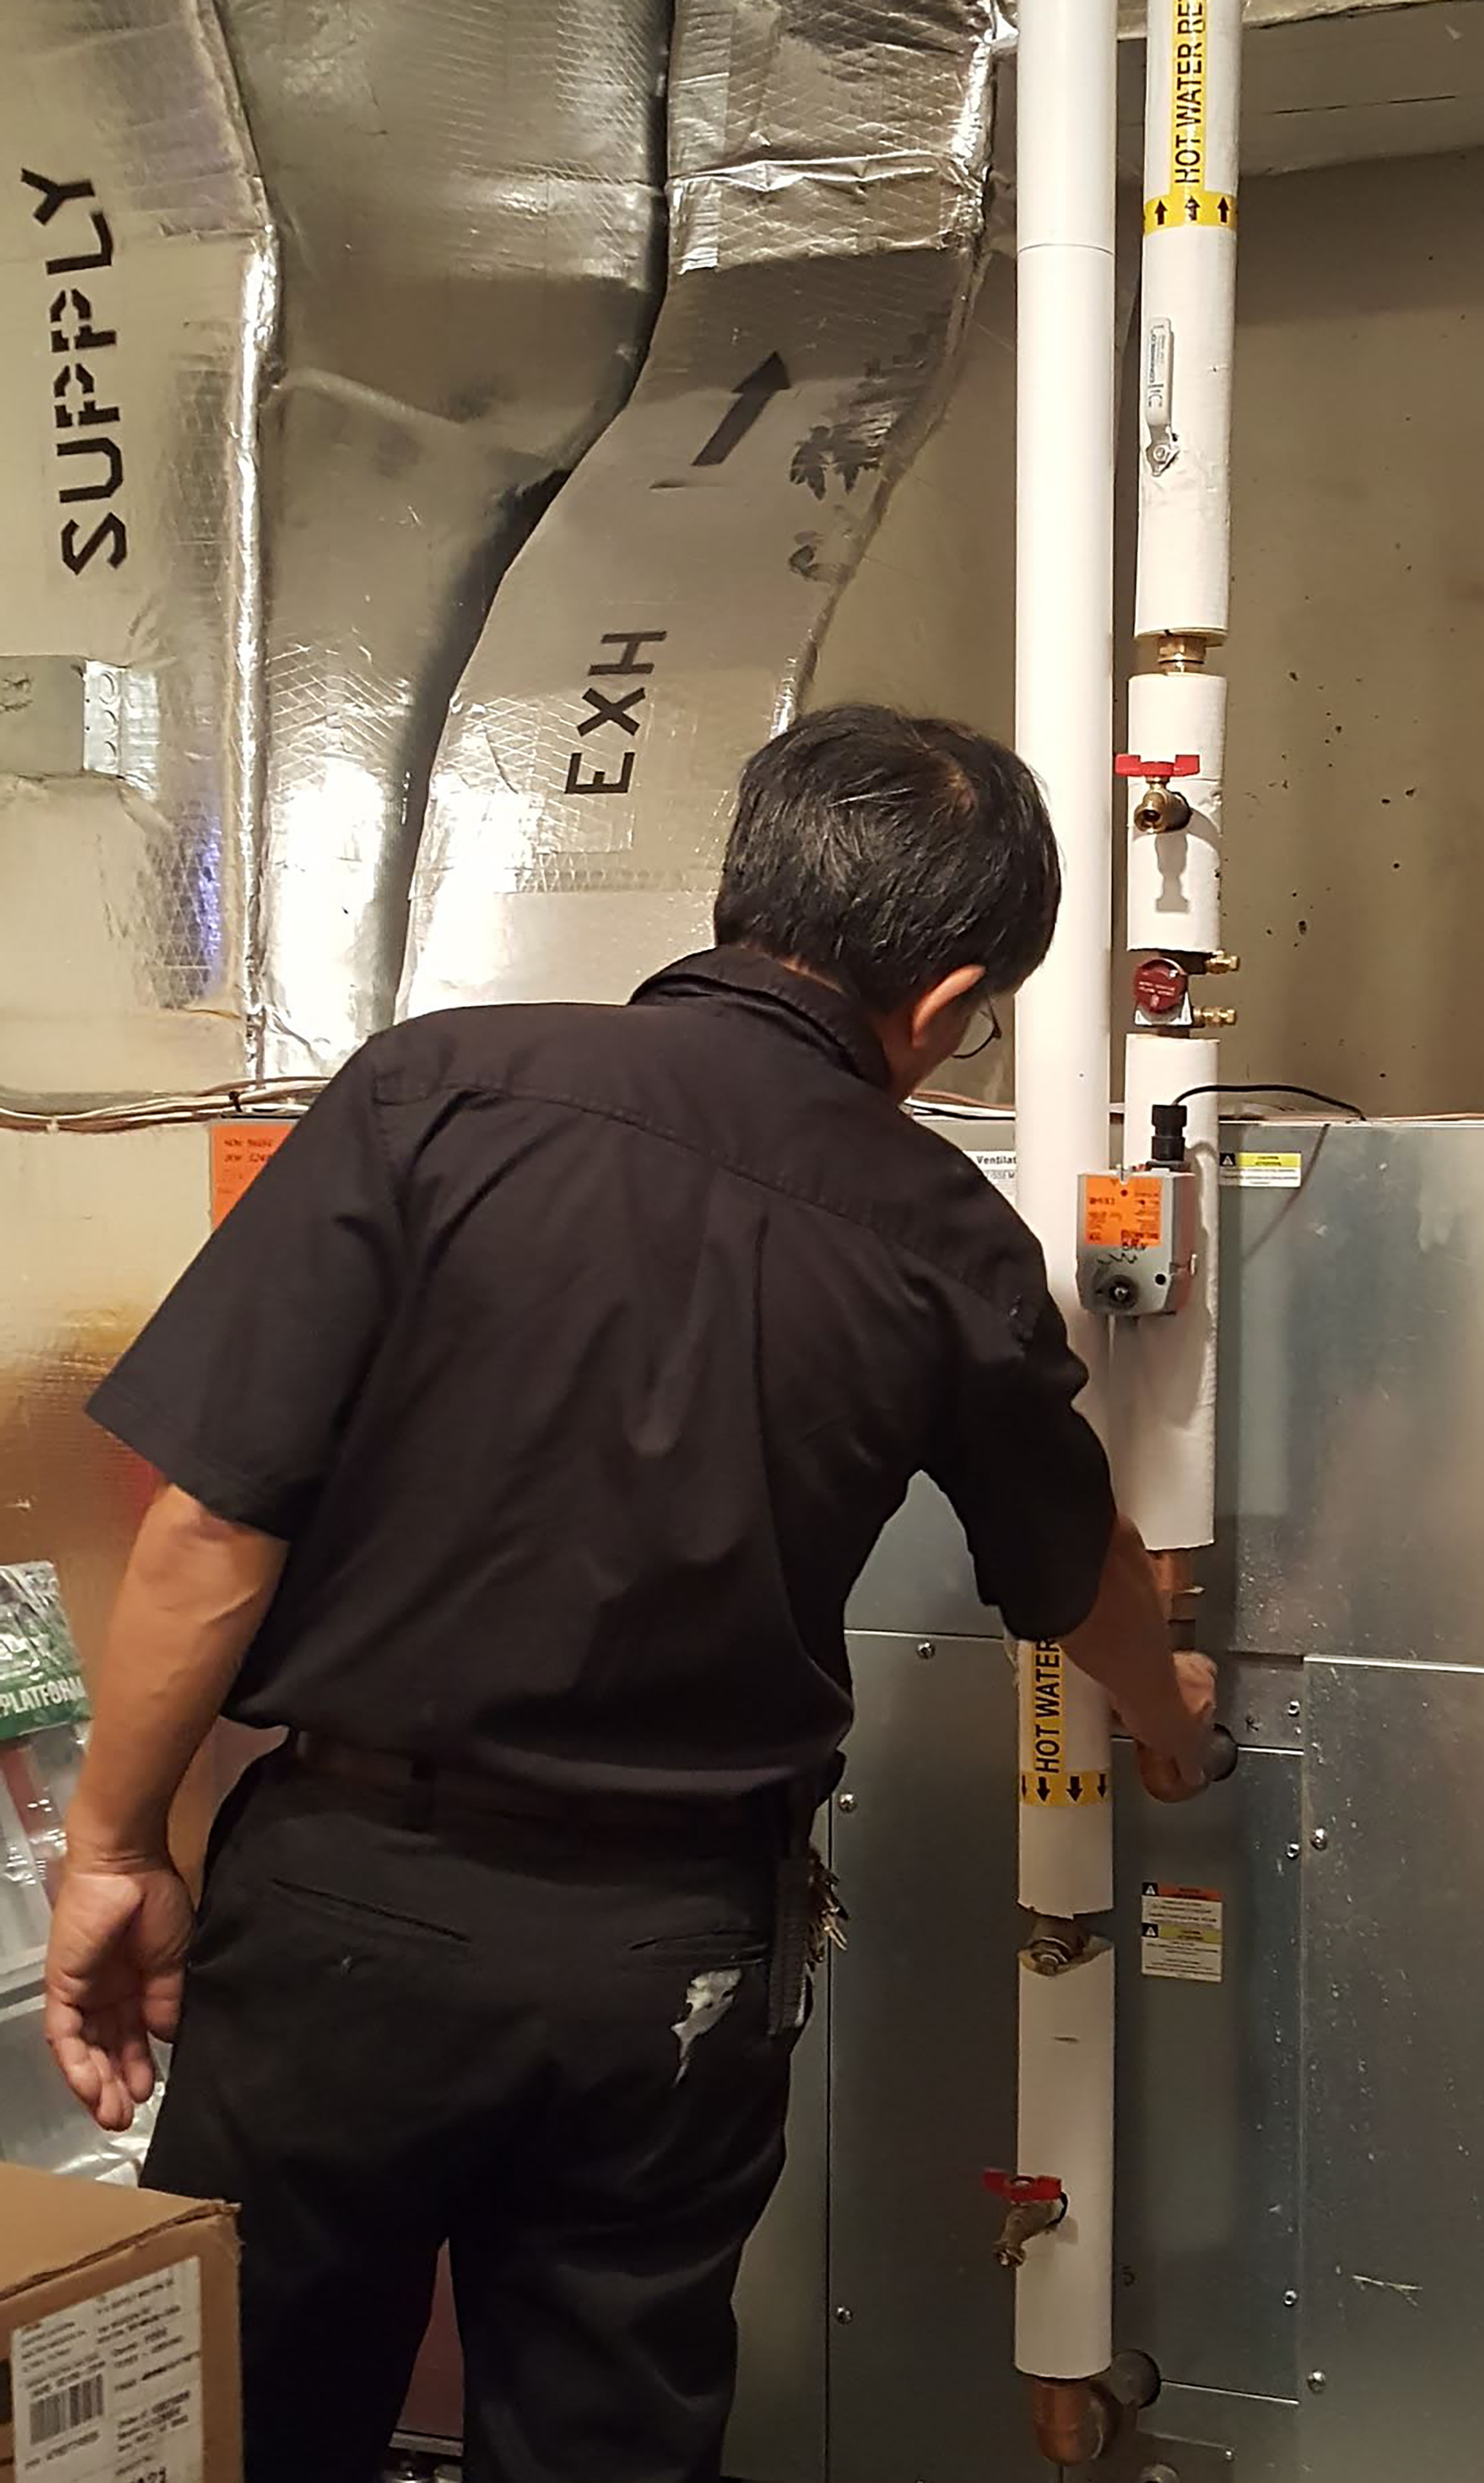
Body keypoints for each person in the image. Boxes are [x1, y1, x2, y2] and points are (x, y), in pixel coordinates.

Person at [43, 706, 1218, 2483]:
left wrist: (117, 1850)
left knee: (242, 2415)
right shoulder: (942, 1234)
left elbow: (212, 1531)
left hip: (348, 1906)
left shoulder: (434, 1090)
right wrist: (1174, 1727)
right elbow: (1078, 1580)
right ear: (944, 997)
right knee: (602, 2439)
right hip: (667, 1965)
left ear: (748, 888)